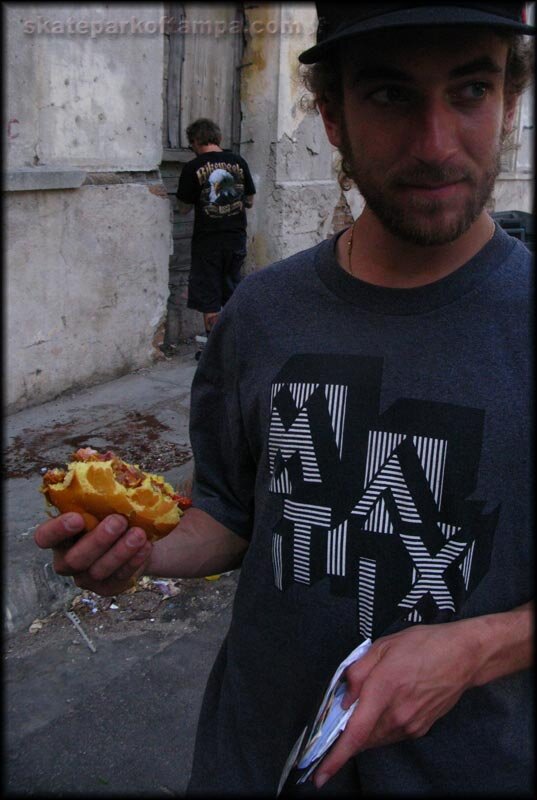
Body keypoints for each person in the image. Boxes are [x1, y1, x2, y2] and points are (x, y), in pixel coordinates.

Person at [35, 4, 534, 796]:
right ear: (331, 115)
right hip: (252, 762)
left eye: (470, 89)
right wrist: (139, 552)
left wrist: (480, 648)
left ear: (508, 101)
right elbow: (232, 515)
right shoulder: (262, 313)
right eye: (389, 95)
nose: (436, 143)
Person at [166, 117, 256, 359]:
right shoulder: (238, 161)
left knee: (209, 295)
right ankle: (237, 342)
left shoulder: (193, 167)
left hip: (208, 242)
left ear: (196, 141)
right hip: (236, 238)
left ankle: (214, 350)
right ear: (218, 138)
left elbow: (184, 208)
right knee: (233, 289)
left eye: (191, 145)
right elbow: (249, 200)